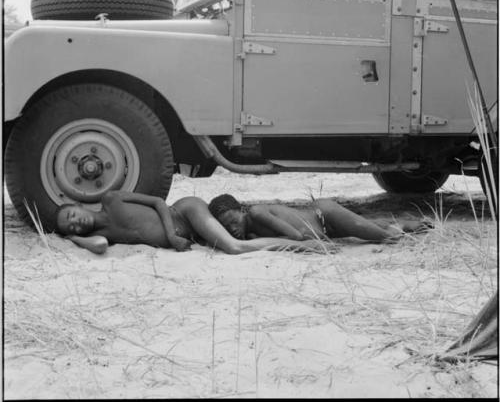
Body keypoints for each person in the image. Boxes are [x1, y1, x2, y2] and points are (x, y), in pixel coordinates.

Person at [54, 190, 339, 255]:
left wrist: (170, 234)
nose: (76, 223)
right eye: (71, 227)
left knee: (235, 248)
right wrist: (73, 239)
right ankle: (297, 240)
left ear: (78, 205)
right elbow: (100, 246)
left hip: (186, 212)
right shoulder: (104, 234)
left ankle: (301, 245)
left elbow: (156, 202)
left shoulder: (111, 199)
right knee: (239, 241)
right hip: (189, 234)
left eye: (71, 216)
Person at [208, 194, 431, 243]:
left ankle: (403, 232)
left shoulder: (257, 212)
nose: (232, 229)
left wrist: (309, 243)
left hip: (324, 215)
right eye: (226, 228)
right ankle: (409, 224)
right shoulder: (252, 233)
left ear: (241, 210)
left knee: (382, 237)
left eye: (232, 221)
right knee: (363, 227)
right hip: (328, 228)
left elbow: (295, 235)